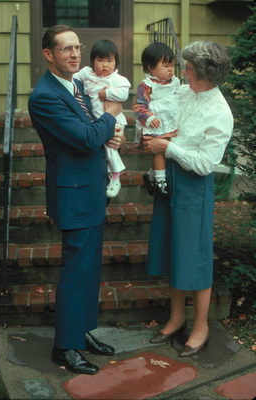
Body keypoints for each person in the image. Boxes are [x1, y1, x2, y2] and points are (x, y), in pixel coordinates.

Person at [28, 25, 123, 374]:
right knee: (75, 272)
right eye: (65, 49)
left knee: (88, 270)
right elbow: (85, 138)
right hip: (75, 197)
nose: (74, 54)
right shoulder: (45, 96)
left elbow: (94, 133)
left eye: (77, 47)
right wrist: (111, 115)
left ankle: (81, 333)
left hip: (91, 190)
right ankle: (64, 346)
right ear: (48, 54)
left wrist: (108, 136)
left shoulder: (78, 85)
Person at [143, 40, 234, 356]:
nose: (183, 72)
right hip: (169, 178)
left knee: (194, 255)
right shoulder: (185, 91)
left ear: (207, 74)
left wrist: (167, 147)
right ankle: (177, 317)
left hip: (195, 186)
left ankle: (200, 326)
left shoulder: (219, 112)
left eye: (189, 68)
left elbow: (206, 164)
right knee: (173, 249)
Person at [74, 39, 131, 198]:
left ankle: (115, 176)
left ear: (116, 62)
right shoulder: (86, 73)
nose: (105, 65)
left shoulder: (118, 80)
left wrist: (106, 94)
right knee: (105, 147)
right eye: (100, 60)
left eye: (109, 61)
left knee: (111, 147)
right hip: (97, 121)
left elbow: (124, 94)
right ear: (92, 61)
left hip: (115, 120)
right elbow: (73, 77)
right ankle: (110, 175)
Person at [133, 42, 180, 196]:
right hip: (155, 125)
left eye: (172, 65)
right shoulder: (147, 86)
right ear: (150, 67)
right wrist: (148, 118)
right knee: (159, 151)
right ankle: (160, 181)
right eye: (166, 66)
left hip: (171, 122)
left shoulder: (175, 83)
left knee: (167, 150)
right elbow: (139, 107)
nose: (170, 69)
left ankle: (151, 175)